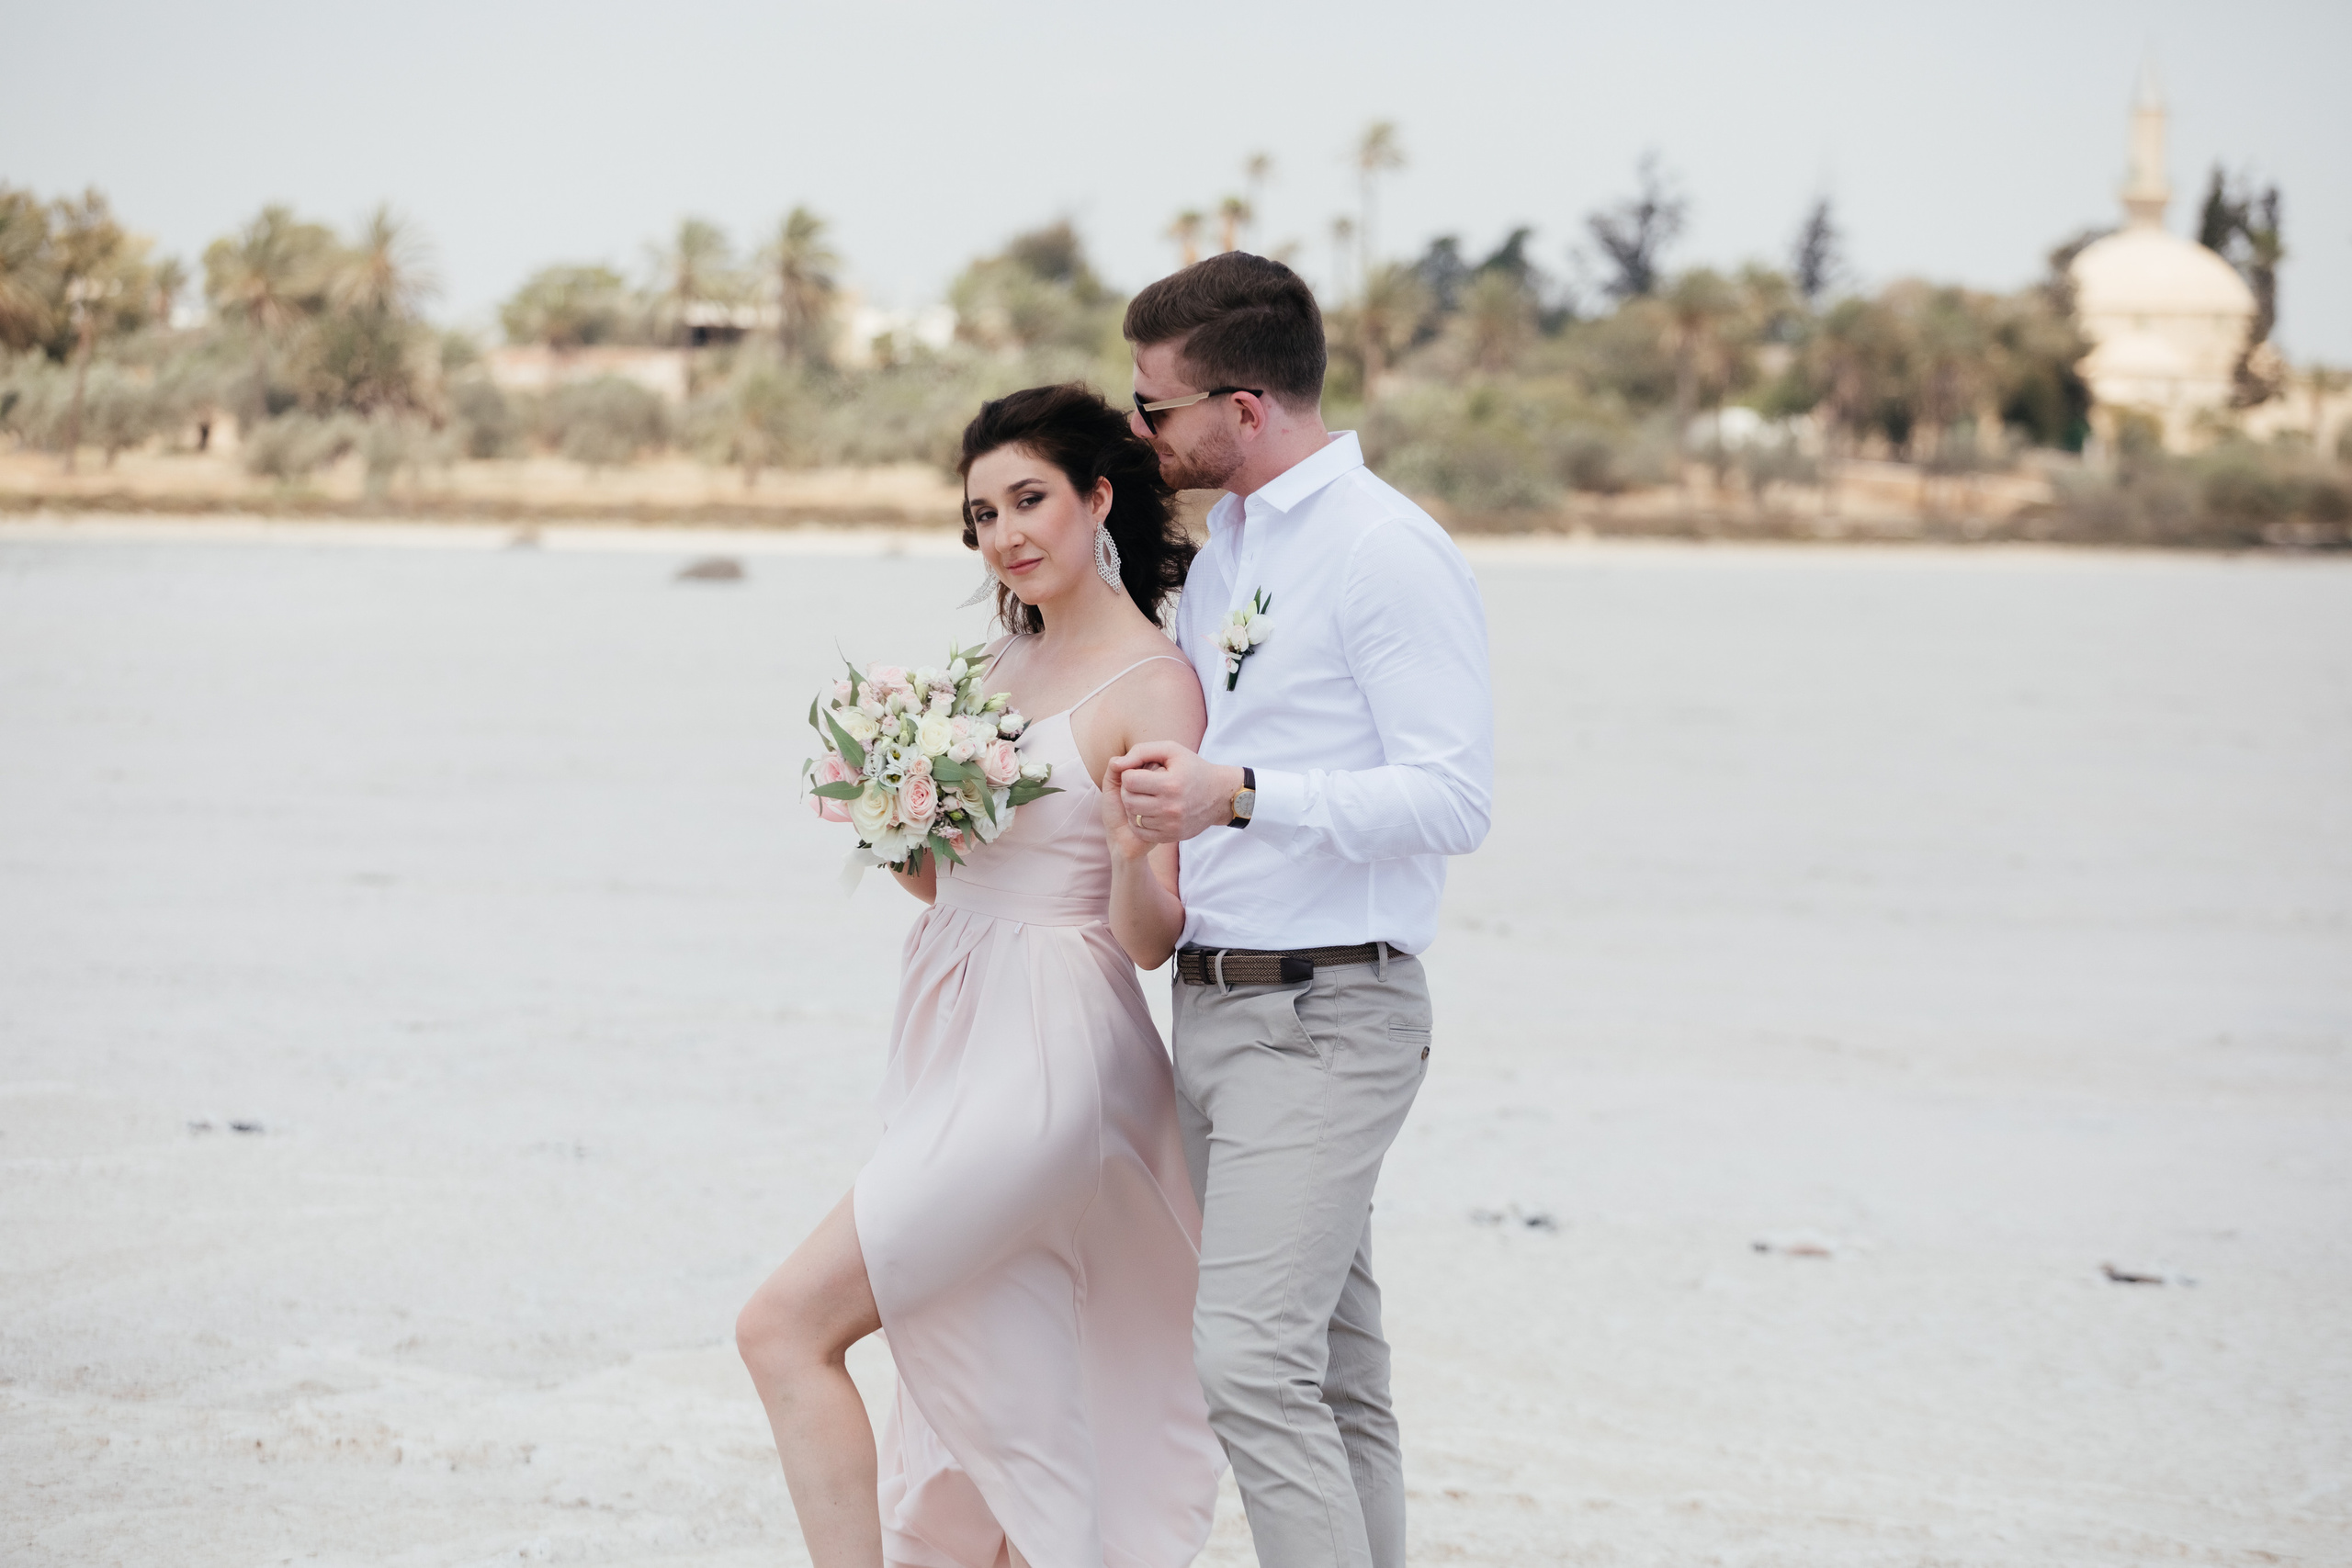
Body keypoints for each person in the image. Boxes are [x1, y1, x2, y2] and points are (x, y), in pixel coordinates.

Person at [736, 384, 1225, 1568]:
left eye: (1028, 500)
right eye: (982, 515)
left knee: (782, 1325)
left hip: (1053, 1050)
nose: (1005, 534)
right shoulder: (995, 664)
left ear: (1096, 500)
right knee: (990, 1365)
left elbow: (1149, 937)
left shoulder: (1154, 684)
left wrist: (1127, 854)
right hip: (950, 1023)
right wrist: (883, 810)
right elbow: (946, 887)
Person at [1110, 254, 1494, 1568]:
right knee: (1333, 1374)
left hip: (1330, 1008)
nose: (1143, 430)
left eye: (1156, 407)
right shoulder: (1229, 548)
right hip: (1217, 1006)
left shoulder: (1384, 549)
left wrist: (1241, 795)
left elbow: (1453, 800)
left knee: (1250, 1367)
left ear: (1245, 407)